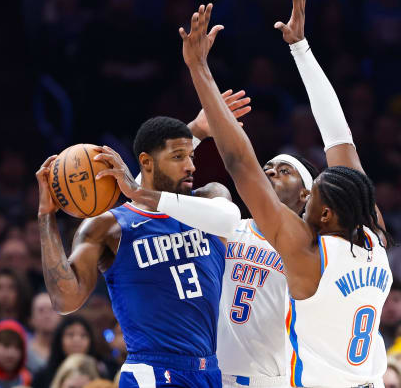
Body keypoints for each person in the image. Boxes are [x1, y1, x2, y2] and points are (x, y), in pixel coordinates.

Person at [180, 0, 392, 386]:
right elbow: (339, 137)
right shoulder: (373, 235)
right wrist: (301, 48)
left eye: (315, 197)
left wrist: (199, 71)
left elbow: (240, 164)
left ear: (322, 211)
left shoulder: (307, 254)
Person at [36, 97, 248, 388]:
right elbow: (65, 300)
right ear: (146, 162)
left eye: (191, 156)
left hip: (210, 369)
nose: (190, 166)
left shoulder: (211, 199)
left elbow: (228, 218)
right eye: (178, 157)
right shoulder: (109, 227)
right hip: (153, 371)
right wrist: (46, 216)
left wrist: (196, 131)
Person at [31, 316, 114, 388]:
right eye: (70, 334)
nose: (77, 340)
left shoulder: (104, 372)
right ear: (59, 340)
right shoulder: (43, 377)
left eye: (83, 335)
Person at [26, 293, 60, 372]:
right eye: (41, 310)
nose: (47, 315)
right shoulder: (24, 350)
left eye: (52, 310)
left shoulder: (67, 349)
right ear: (31, 319)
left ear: (60, 317)